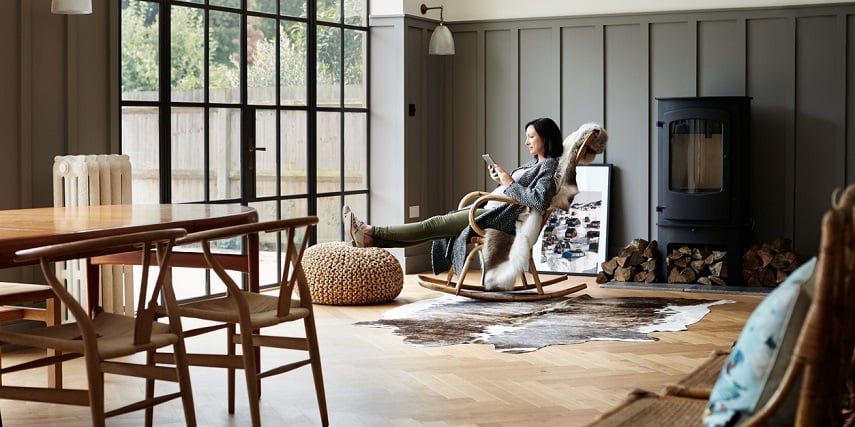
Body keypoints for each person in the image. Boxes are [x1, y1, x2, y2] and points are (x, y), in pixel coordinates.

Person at [342, 117, 565, 273]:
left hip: (496, 217)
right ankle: (370, 238)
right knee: (435, 227)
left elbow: (538, 200)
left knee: (434, 225)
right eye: (526, 137)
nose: (526, 142)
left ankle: (369, 231)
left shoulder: (548, 166)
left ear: (545, 138)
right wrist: (502, 181)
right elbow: (518, 191)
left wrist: (508, 181)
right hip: (489, 207)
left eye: (531, 137)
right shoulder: (535, 163)